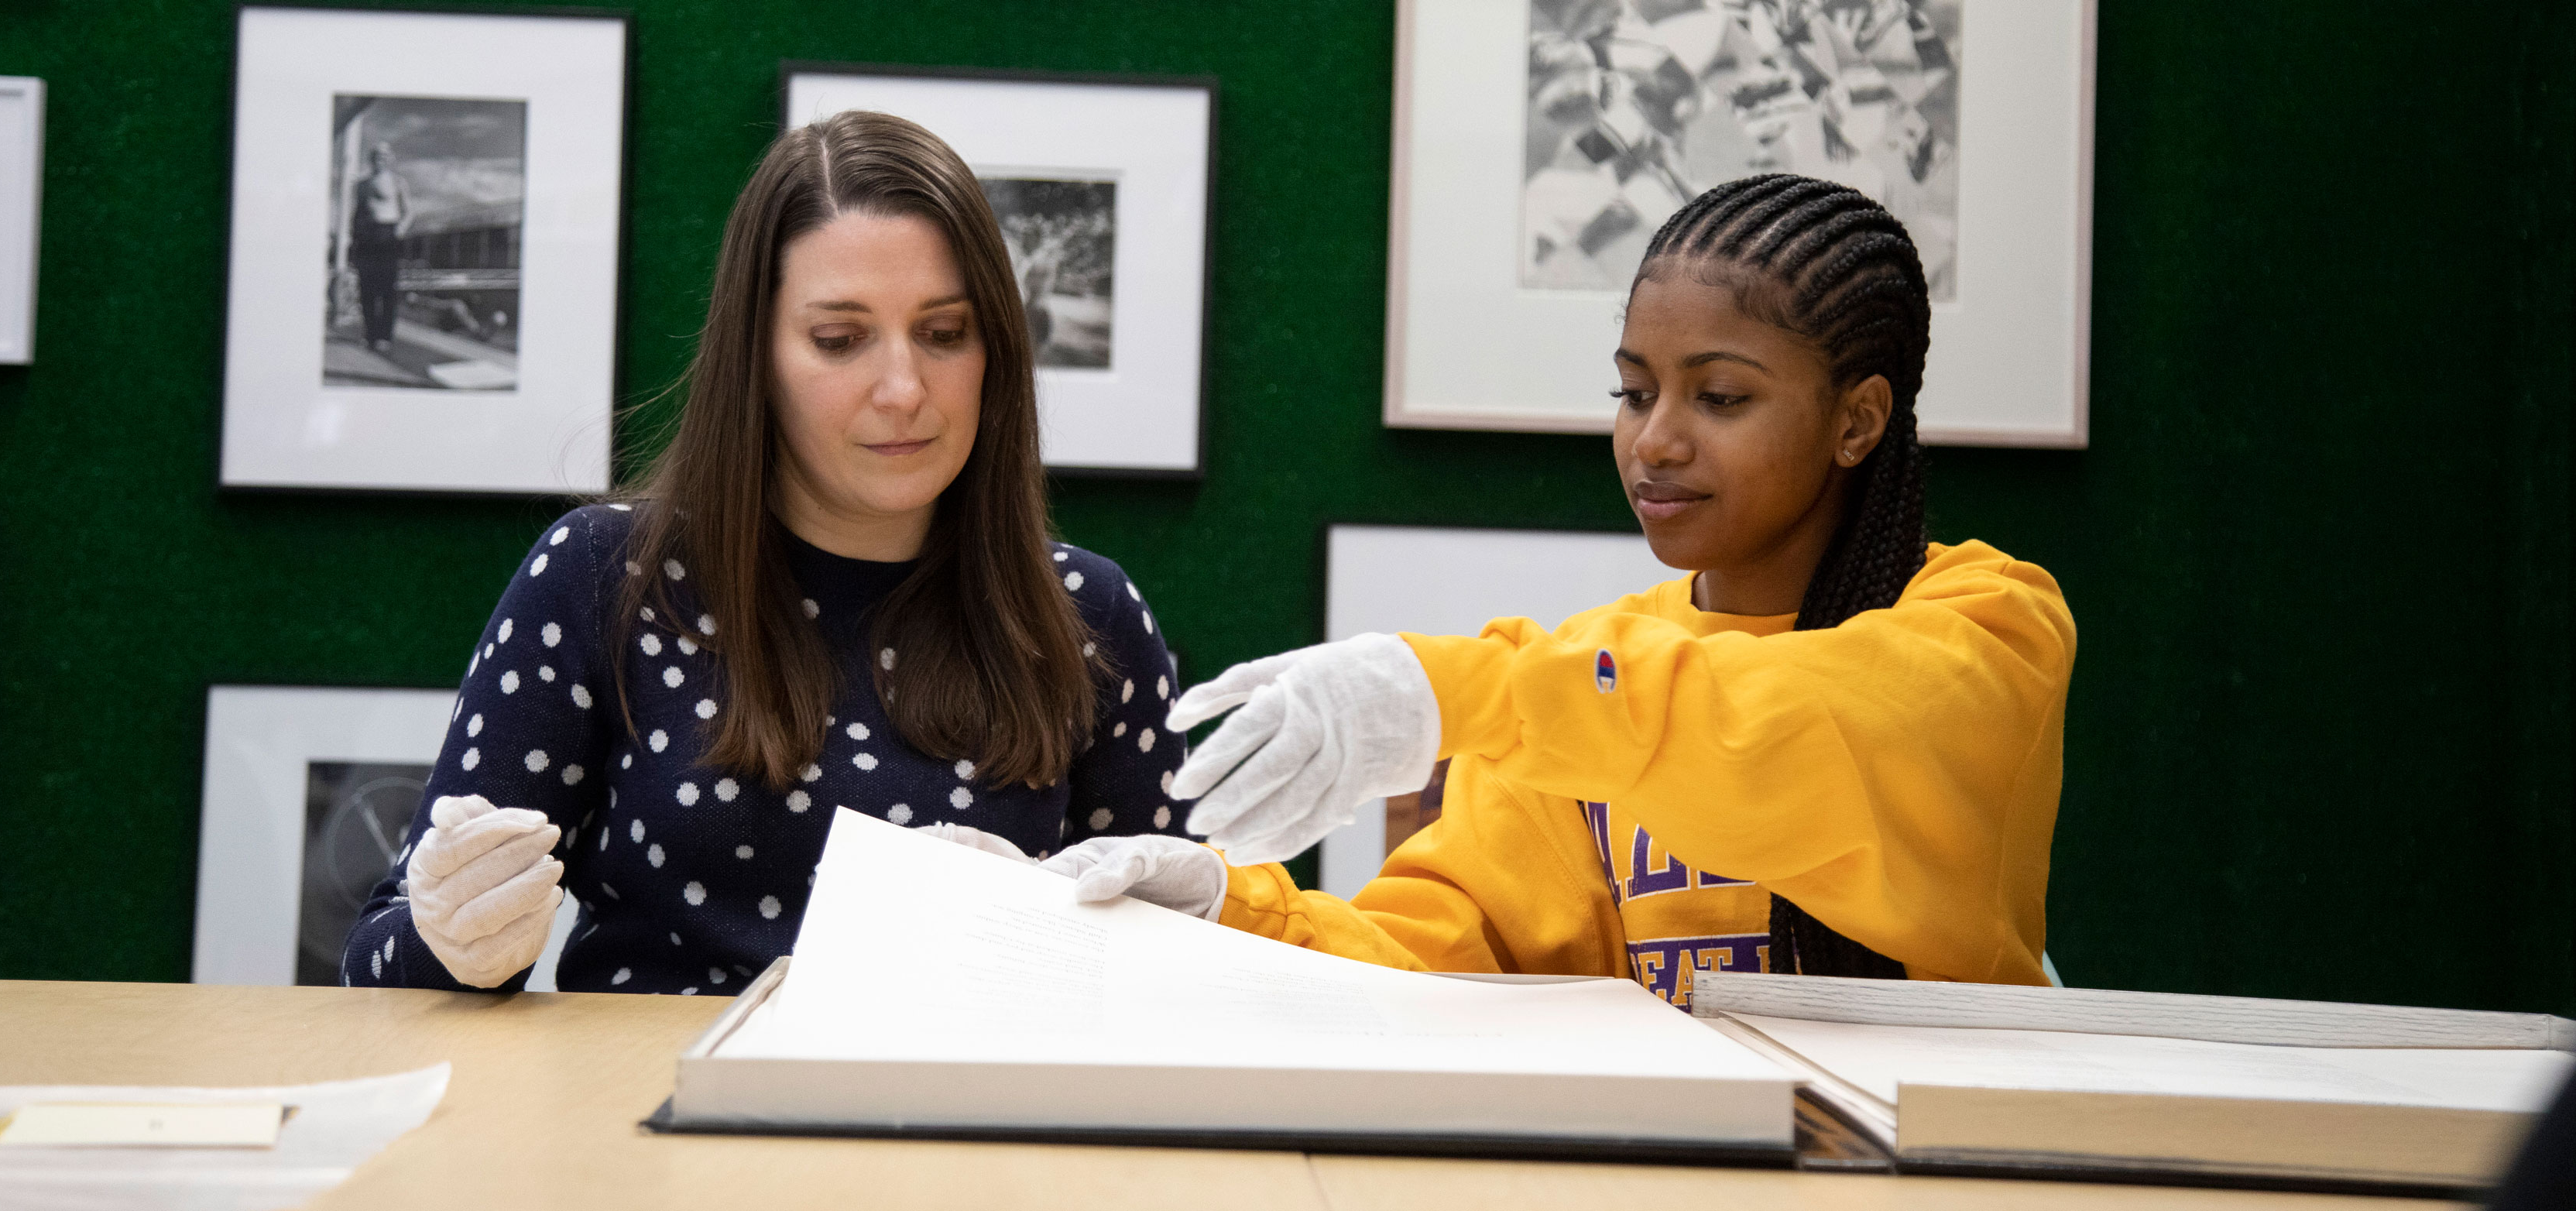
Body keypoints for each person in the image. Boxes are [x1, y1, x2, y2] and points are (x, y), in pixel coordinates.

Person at [1052, 174, 2074, 1007]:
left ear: (1857, 422)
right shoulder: (1572, 686)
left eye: (1720, 397)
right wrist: (1230, 913)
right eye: (1633, 391)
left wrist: (1463, 694)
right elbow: (1440, 962)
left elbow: (1787, 726)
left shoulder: (1991, 627)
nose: (1657, 439)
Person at [342, 111, 1192, 995]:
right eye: (839, 339)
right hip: (640, 1124)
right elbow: (377, 954)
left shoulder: (1086, 612)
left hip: (963, 1129)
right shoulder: (605, 573)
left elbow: (1170, 994)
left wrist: (1167, 941)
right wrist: (453, 944)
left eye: (944, 333)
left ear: (996, 354)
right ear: (757, 357)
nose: (903, 388)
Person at [348, 145, 406, 352]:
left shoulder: (398, 182)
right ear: (371, 159)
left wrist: (399, 229)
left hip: (388, 235)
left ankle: (384, 336)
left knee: (387, 289)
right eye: (375, 156)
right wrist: (354, 238)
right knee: (367, 289)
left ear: (390, 158)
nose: (379, 159)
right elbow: (357, 213)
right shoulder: (362, 185)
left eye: (384, 156)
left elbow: (409, 212)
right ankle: (371, 334)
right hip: (367, 237)